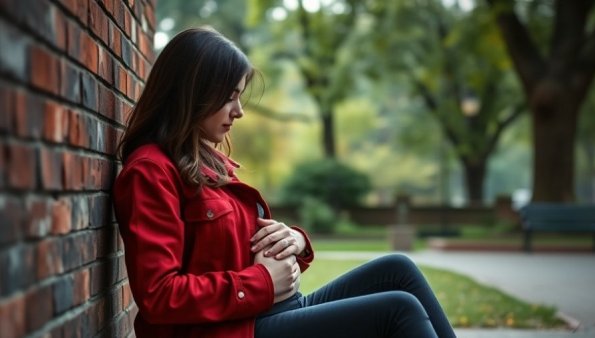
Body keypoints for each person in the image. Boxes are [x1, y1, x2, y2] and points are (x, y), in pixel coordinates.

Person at [113, 26, 456, 338]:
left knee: (398, 269)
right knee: (398, 309)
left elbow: (230, 246)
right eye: (230, 96)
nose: (239, 111)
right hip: (238, 330)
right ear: (194, 92)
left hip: (273, 310)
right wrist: (261, 282)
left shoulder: (204, 161)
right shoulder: (151, 172)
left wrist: (292, 240)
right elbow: (159, 295)